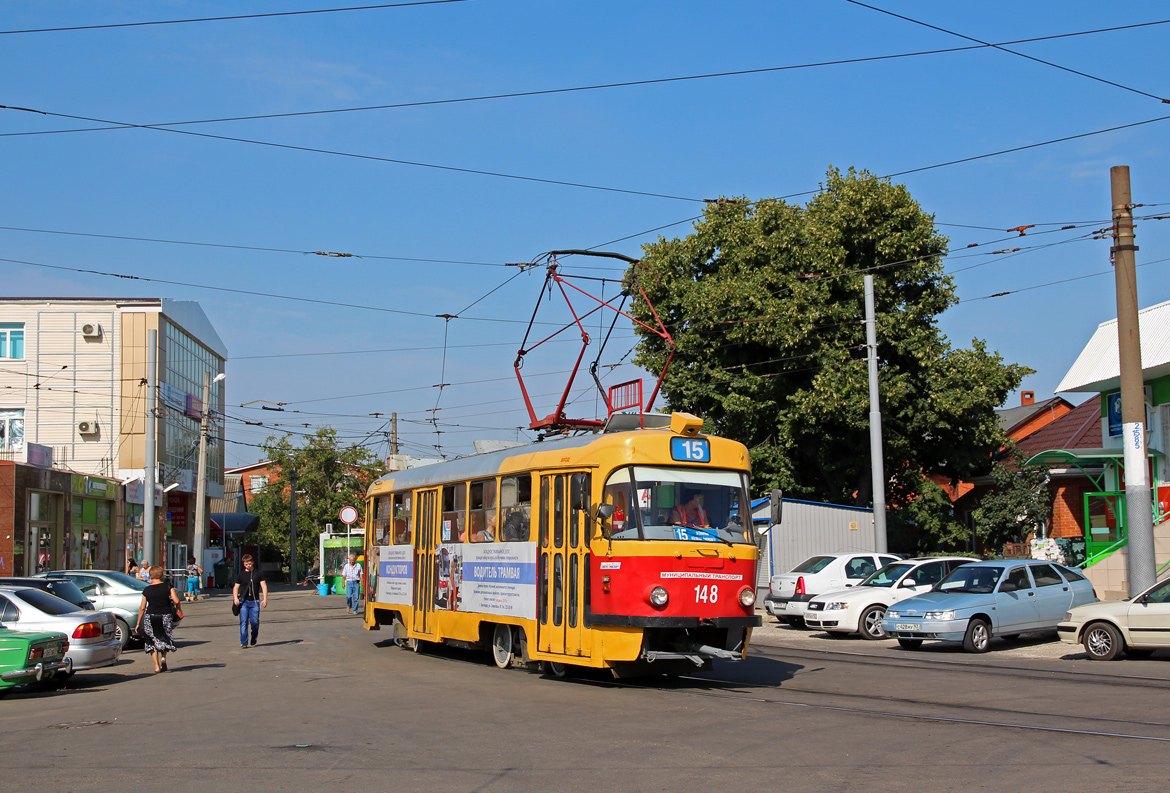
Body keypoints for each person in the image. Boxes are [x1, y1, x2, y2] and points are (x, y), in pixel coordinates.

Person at [135, 565, 181, 673]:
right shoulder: (167, 586)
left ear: (150, 576)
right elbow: (176, 600)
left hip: (150, 616)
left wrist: (138, 623)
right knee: (164, 636)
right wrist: (179, 609)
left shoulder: (147, 590)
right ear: (161, 575)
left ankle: (156, 666)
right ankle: (163, 657)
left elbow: (142, 607)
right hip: (165, 615)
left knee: (151, 640)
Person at [232, 554, 268, 648]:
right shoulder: (241, 575)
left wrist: (265, 599)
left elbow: (263, 586)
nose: (248, 565)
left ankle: (254, 636)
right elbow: (236, 587)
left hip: (255, 602)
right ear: (244, 564)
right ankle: (244, 642)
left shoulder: (258, 573)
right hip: (243, 602)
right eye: (246, 564)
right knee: (243, 622)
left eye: (250, 563)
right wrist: (235, 598)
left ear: (252, 562)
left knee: (255, 622)